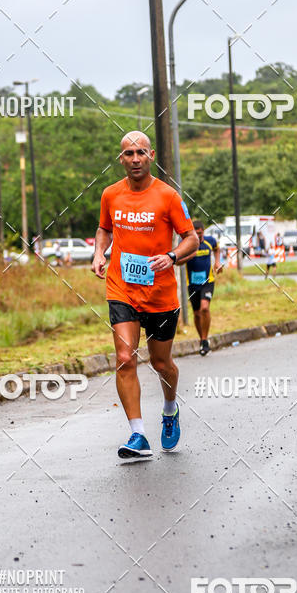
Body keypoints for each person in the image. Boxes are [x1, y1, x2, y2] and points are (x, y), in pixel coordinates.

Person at [91, 131, 198, 461]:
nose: (135, 158)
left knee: (161, 363)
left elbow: (191, 238)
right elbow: (104, 228)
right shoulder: (110, 194)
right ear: (120, 159)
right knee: (125, 358)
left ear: (151, 155)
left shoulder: (167, 196)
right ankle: (138, 434)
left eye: (140, 152)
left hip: (161, 292)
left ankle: (169, 409)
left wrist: (172, 257)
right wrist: (99, 253)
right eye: (128, 154)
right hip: (121, 286)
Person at [178, 220, 221, 356]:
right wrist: (191, 254)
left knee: (204, 308)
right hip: (192, 284)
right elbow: (178, 262)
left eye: (201, 233)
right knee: (197, 313)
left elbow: (217, 248)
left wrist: (217, 262)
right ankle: (202, 339)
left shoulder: (210, 241)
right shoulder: (186, 244)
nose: (199, 236)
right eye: (196, 234)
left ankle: (205, 339)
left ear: (204, 231)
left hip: (208, 281)